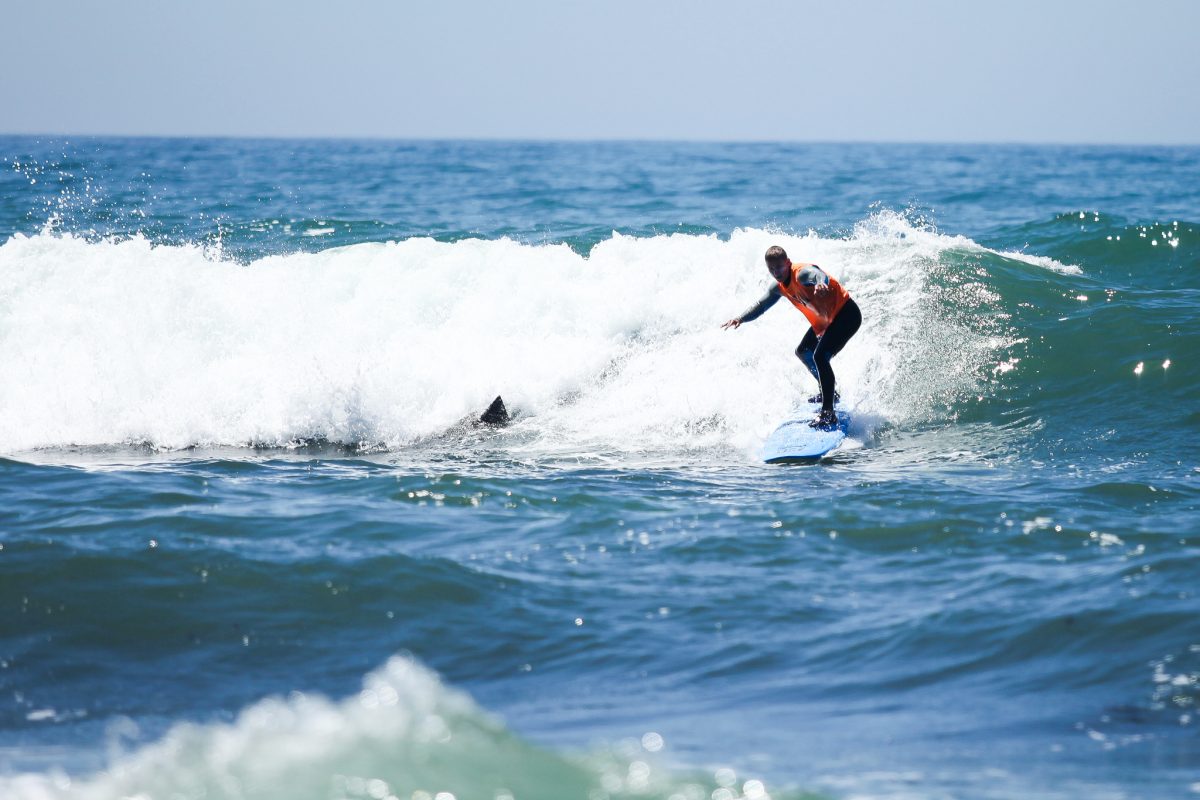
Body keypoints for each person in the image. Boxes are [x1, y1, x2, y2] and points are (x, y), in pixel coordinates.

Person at [722, 245, 861, 428]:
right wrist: (740, 318)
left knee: (820, 356)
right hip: (826, 321)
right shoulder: (778, 287)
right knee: (804, 351)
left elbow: (817, 273)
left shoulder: (800, 274)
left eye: (779, 267)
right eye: (771, 269)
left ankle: (828, 412)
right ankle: (829, 393)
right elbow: (761, 305)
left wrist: (821, 283)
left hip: (846, 314)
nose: (776, 272)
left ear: (787, 263)